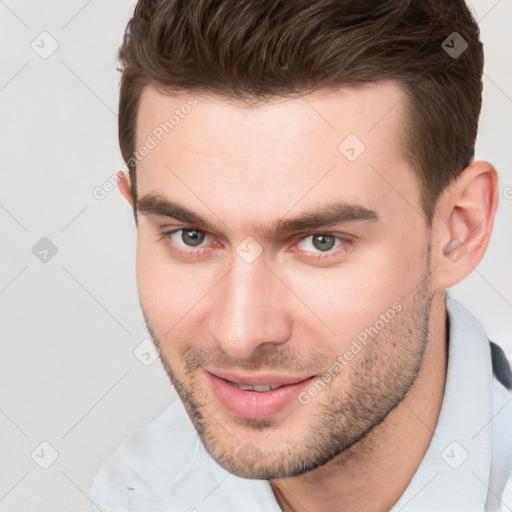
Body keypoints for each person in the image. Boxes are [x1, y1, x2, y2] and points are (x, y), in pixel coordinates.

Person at [91, 1, 512, 510]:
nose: (241, 334)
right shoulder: (136, 493)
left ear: (458, 231)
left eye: (320, 241)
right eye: (191, 236)